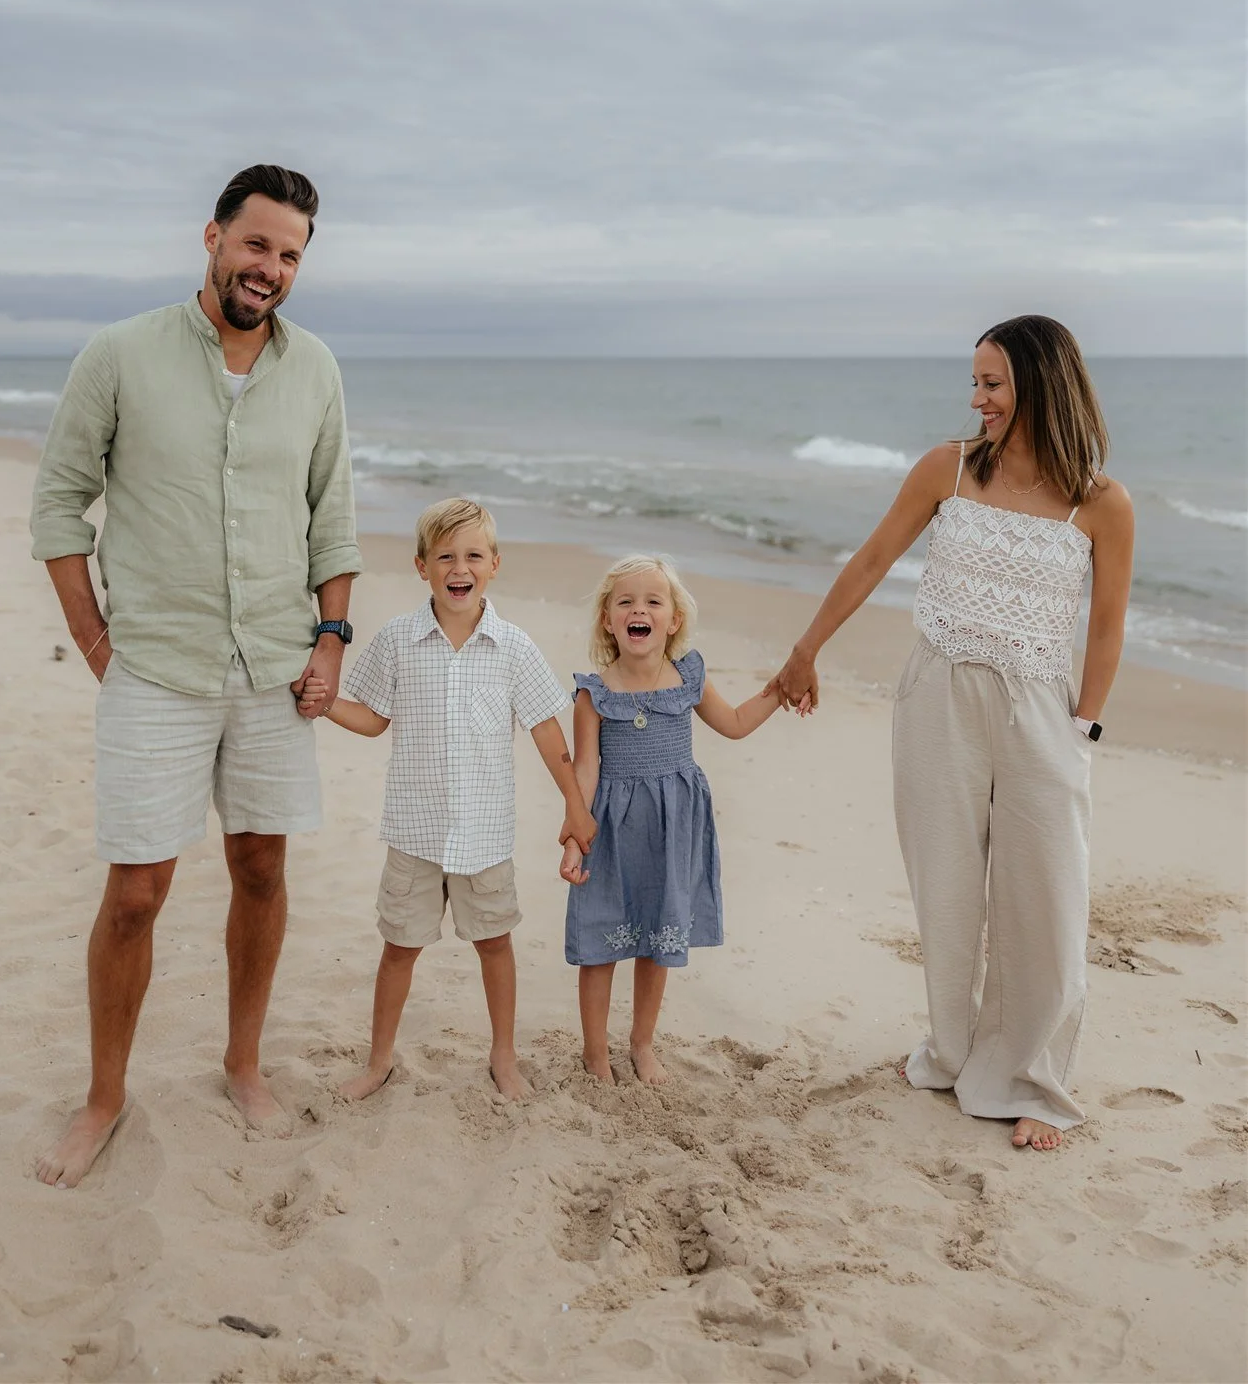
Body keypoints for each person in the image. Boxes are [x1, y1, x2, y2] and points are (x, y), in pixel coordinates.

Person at [30, 163, 362, 1187]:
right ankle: (103, 1095)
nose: (272, 267)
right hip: (155, 670)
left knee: (262, 868)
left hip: (272, 667)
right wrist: (94, 641)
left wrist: (330, 642)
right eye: (257, 244)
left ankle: (243, 1061)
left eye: (291, 254)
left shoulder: (317, 372)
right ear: (213, 237)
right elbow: (57, 505)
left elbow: (333, 522)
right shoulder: (120, 354)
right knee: (137, 889)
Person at [766, 316, 1134, 1151]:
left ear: (1041, 383)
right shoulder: (949, 470)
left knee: (1045, 893)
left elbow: (1106, 626)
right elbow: (868, 561)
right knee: (946, 884)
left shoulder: (1101, 503)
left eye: (992, 383)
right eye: (975, 382)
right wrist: (804, 650)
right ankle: (954, 1049)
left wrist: (1083, 730)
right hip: (936, 694)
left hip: (1042, 709)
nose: (977, 398)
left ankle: (1032, 1079)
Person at [298, 498, 596, 1102]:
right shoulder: (400, 640)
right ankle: (379, 1059)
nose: (460, 567)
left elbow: (545, 729)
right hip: (414, 832)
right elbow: (375, 718)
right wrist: (324, 703)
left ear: (494, 564)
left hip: (485, 835)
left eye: (473, 556)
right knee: (399, 948)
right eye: (446, 557)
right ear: (421, 567)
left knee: (494, 944)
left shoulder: (512, 646)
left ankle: (503, 1056)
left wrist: (573, 803)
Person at [559, 554, 793, 1085]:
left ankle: (642, 1044)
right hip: (611, 832)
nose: (638, 609)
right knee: (600, 944)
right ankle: (595, 1051)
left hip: (673, 826)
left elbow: (733, 724)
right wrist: (575, 841)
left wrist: (780, 688)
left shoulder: (687, 677)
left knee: (658, 937)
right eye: (625, 601)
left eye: (652, 601)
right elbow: (587, 772)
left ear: (673, 619)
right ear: (607, 618)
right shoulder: (592, 694)